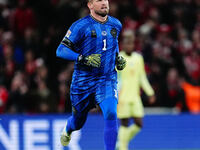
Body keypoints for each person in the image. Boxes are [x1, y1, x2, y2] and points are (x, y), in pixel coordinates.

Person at [56, 0, 126, 150]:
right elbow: (60, 50)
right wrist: (83, 58)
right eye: (98, 0)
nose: (104, 3)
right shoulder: (80, 26)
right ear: (90, 5)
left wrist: (118, 59)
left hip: (106, 79)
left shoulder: (116, 24)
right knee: (78, 122)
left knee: (111, 113)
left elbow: (113, 45)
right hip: (83, 82)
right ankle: (68, 128)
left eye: (105, 0)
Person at [117, 30, 155, 150]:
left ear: (134, 44)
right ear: (123, 44)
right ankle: (123, 147)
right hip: (122, 97)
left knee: (139, 124)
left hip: (135, 97)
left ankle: (121, 142)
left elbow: (142, 77)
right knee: (124, 123)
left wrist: (150, 92)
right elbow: (114, 78)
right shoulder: (118, 58)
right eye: (127, 43)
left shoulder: (138, 58)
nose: (129, 45)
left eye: (131, 43)